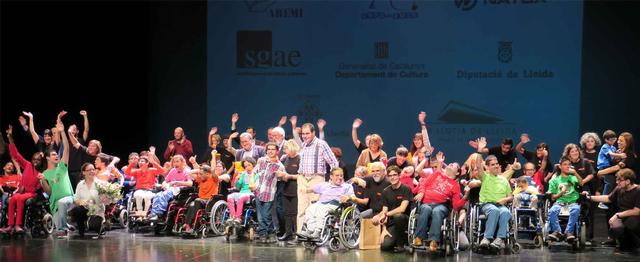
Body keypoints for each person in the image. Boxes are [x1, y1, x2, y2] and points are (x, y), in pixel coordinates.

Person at [412, 154, 468, 252]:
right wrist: (421, 192)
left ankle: (434, 241)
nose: (450, 164)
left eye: (453, 165)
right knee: (425, 209)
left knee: (437, 211)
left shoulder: (455, 185)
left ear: (457, 172)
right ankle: (418, 238)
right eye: (450, 163)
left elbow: (455, 206)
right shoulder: (437, 174)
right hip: (426, 203)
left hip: (441, 205)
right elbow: (424, 183)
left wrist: (466, 196)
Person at [295, 123, 338, 234]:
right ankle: (300, 234)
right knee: (301, 208)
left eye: (307, 133)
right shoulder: (303, 145)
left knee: (314, 207)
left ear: (313, 133)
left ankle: (314, 232)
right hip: (302, 179)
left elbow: (333, 162)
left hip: (316, 179)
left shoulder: (321, 144)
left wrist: (332, 180)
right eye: (303, 134)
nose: (304, 136)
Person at [0, 125, 43, 234]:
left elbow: (38, 187)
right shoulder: (28, 165)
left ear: (41, 161)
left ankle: (18, 225)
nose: (35, 161)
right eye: (34, 159)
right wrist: (10, 139)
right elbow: (16, 155)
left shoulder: (42, 172)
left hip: (33, 194)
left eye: (38, 159)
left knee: (19, 198)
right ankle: (10, 225)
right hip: (23, 192)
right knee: (14, 198)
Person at [584, 168, 640, 252]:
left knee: (630, 224)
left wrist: (617, 215)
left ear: (628, 181)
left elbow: (636, 211)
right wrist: (589, 197)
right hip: (624, 217)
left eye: (620, 180)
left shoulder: (638, 190)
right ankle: (626, 246)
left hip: (635, 217)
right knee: (616, 228)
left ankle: (635, 244)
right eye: (617, 180)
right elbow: (608, 198)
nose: (617, 182)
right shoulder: (619, 189)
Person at [468, 155, 514, 250]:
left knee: (506, 212)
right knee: (494, 210)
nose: (496, 166)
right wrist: (479, 151)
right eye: (493, 164)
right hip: (487, 205)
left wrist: (505, 199)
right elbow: (479, 166)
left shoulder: (504, 180)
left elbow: (510, 197)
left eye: (497, 164)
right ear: (487, 167)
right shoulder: (485, 177)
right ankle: (487, 238)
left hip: (501, 205)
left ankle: (500, 238)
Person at [40, 120, 75, 238]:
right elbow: (49, 192)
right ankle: (67, 226)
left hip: (69, 200)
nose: (57, 156)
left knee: (60, 224)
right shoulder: (44, 174)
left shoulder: (62, 167)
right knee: (58, 217)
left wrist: (62, 132)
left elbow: (66, 149)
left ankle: (63, 230)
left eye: (57, 154)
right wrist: (43, 180)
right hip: (54, 205)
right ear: (48, 158)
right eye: (54, 155)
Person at [298, 168, 354, 239]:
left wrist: (348, 198)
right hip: (321, 203)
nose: (339, 178)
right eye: (337, 175)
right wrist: (304, 190)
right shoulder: (324, 185)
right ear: (331, 176)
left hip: (335, 204)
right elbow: (313, 189)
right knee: (309, 209)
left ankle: (318, 231)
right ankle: (310, 229)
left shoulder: (347, 186)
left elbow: (352, 197)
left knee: (321, 210)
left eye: (341, 176)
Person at [372, 166, 412, 252]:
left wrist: (387, 214)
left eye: (395, 175)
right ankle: (395, 240)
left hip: (404, 220)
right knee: (385, 246)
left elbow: (402, 209)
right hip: (392, 222)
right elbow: (384, 210)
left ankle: (402, 244)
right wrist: (384, 229)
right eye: (390, 176)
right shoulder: (386, 191)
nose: (392, 177)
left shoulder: (406, 188)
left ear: (399, 175)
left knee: (398, 216)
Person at [547, 156, 584, 242]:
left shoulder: (573, 178)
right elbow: (553, 197)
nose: (568, 166)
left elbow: (581, 183)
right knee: (552, 211)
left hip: (572, 202)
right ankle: (557, 231)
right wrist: (561, 193)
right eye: (565, 164)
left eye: (569, 165)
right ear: (560, 166)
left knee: (576, 209)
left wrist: (575, 173)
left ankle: (568, 232)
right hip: (559, 202)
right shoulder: (555, 180)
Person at [254, 143, 285, 243]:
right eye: (268, 149)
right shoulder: (261, 161)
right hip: (258, 191)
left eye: (273, 149)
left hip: (269, 193)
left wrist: (282, 175)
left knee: (266, 215)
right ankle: (263, 234)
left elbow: (282, 179)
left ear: (277, 151)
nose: (270, 151)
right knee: (259, 216)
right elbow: (255, 172)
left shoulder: (279, 166)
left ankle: (271, 233)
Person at [149, 155, 193, 221]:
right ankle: (154, 213)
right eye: (174, 162)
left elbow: (190, 183)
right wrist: (164, 184)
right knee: (157, 195)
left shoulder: (187, 171)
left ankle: (158, 214)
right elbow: (165, 181)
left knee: (163, 195)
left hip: (180, 191)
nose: (175, 164)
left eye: (177, 161)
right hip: (170, 189)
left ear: (183, 162)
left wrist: (178, 182)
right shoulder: (173, 170)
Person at [183, 159, 220, 233]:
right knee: (191, 204)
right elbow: (189, 173)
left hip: (210, 201)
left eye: (201, 174)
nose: (199, 176)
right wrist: (199, 169)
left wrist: (213, 156)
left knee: (197, 200)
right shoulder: (201, 179)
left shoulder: (213, 179)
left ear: (207, 174)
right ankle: (188, 225)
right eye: (199, 174)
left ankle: (194, 223)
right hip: (200, 200)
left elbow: (212, 170)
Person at [67, 163, 105, 238]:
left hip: (97, 209)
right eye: (89, 170)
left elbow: (106, 199)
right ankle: (81, 230)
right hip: (85, 208)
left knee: (94, 226)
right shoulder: (80, 184)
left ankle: (101, 226)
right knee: (76, 210)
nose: (92, 171)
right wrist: (81, 202)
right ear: (84, 172)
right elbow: (76, 198)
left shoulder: (100, 183)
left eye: (93, 169)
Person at [277, 139, 300, 241]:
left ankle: (296, 233)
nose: (284, 149)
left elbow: (301, 176)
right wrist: (281, 175)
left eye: (286, 148)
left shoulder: (299, 159)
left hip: (296, 188)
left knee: (295, 213)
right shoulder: (285, 159)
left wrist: (289, 176)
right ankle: (288, 232)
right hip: (285, 188)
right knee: (287, 212)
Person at [226, 157, 257, 224]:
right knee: (229, 197)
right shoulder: (243, 174)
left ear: (253, 165)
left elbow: (256, 187)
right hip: (242, 192)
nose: (247, 167)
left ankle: (238, 218)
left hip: (251, 193)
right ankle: (232, 217)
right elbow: (238, 187)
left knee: (241, 198)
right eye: (245, 166)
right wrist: (237, 180)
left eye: (249, 165)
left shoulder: (256, 174)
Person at [598, 130, 620, 209]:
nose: (613, 141)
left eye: (614, 139)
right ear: (606, 140)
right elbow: (611, 154)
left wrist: (617, 153)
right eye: (611, 140)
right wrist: (621, 155)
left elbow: (614, 158)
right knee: (609, 183)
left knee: (615, 182)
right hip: (604, 167)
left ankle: (611, 199)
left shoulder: (613, 147)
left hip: (609, 167)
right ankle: (602, 202)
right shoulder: (605, 146)